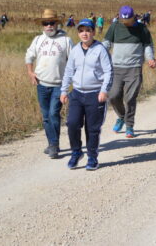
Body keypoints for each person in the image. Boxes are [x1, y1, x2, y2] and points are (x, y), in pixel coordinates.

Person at [60, 18, 113, 170]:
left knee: (92, 128)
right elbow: (69, 71)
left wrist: (104, 90)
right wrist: (64, 90)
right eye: (81, 30)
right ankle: (76, 152)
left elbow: (109, 71)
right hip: (76, 93)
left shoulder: (100, 49)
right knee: (72, 123)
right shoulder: (75, 50)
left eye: (88, 31)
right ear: (78, 33)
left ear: (93, 32)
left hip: (95, 94)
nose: (85, 34)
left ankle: (92, 157)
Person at [25, 9, 74, 159]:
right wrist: (30, 72)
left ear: (56, 24)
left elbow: (73, 61)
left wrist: (70, 82)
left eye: (52, 23)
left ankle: (53, 145)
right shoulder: (38, 40)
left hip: (59, 84)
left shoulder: (65, 40)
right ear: (42, 25)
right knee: (46, 116)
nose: (49, 26)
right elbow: (29, 56)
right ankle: (53, 143)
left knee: (54, 113)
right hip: (42, 83)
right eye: (46, 23)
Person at [103, 5, 156, 138]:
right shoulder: (115, 26)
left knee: (130, 98)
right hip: (116, 67)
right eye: (123, 20)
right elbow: (106, 44)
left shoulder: (142, 28)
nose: (126, 23)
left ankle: (129, 126)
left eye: (128, 20)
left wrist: (150, 58)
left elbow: (147, 45)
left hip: (134, 68)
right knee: (113, 95)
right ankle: (122, 117)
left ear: (134, 17)